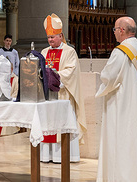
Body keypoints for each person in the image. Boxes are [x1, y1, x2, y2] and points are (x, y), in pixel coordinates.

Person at [95, 17, 137, 182]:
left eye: (114, 29)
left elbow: (108, 77)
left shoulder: (121, 51)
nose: (114, 33)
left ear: (121, 30)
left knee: (120, 143)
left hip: (121, 107)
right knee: (133, 144)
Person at [40, 13, 87, 163]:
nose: (50, 40)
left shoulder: (69, 51)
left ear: (60, 35)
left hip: (62, 94)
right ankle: (47, 155)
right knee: (48, 125)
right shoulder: (44, 52)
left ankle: (64, 155)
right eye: (48, 38)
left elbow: (70, 72)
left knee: (62, 125)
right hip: (47, 97)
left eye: (53, 37)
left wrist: (53, 78)